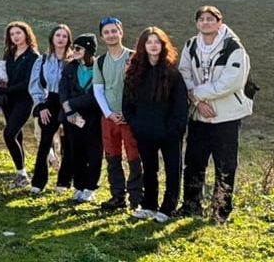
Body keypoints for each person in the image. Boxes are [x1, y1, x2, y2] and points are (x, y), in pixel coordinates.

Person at [178, 6, 252, 222]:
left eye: (210, 19)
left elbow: (230, 82)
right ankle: (191, 206)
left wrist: (197, 95)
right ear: (196, 23)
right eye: (201, 19)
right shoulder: (191, 45)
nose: (205, 23)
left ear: (220, 22)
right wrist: (196, 102)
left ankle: (221, 211)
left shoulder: (233, 47)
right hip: (199, 115)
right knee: (193, 162)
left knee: (225, 165)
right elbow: (184, 72)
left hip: (226, 116)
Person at [124, 27, 189, 223]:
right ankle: (149, 205)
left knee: (172, 170)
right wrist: (136, 125)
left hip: (169, 134)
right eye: (149, 42)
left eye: (157, 42)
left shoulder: (173, 74)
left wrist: (174, 130)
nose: (153, 45)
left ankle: (168, 208)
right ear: (142, 46)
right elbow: (127, 104)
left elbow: (180, 106)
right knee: (149, 170)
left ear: (163, 45)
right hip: (144, 132)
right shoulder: (134, 73)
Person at [92, 16, 143, 211]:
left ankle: (137, 198)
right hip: (109, 118)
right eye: (106, 32)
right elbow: (98, 89)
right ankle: (117, 196)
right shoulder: (100, 61)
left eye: (114, 31)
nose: (111, 35)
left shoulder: (134, 57)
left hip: (130, 118)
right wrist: (109, 113)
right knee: (113, 157)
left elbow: (139, 88)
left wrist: (127, 113)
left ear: (121, 32)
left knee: (134, 157)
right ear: (102, 36)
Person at [29, 24, 74, 194]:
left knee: (68, 143)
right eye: (58, 35)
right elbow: (35, 84)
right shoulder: (43, 60)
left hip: (68, 103)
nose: (61, 39)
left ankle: (64, 181)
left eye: (64, 36)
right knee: (45, 142)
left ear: (68, 39)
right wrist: (40, 105)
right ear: (52, 38)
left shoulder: (73, 60)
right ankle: (38, 182)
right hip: (50, 101)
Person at [59, 34, 103, 202]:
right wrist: (68, 111)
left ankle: (90, 187)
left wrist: (71, 104)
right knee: (76, 151)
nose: (74, 51)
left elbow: (96, 95)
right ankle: (79, 185)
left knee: (94, 153)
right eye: (73, 48)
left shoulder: (99, 68)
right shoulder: (70, 67)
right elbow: (63, 90)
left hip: (93, 117)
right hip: (72, 118)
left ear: (89, 50)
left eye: (78, 48)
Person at [0, 21, 40, 188]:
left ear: (26, 34)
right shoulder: (9, 53)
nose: (15, 36)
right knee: (17, 136)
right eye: (12, 34)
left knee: (8, 134)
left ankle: (22, 173)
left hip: (24, 101)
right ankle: (21, 175)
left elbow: (27, 83)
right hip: (8, 101)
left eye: (18, 33)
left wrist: (7, 89)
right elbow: (5, 74)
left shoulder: (33, 56)